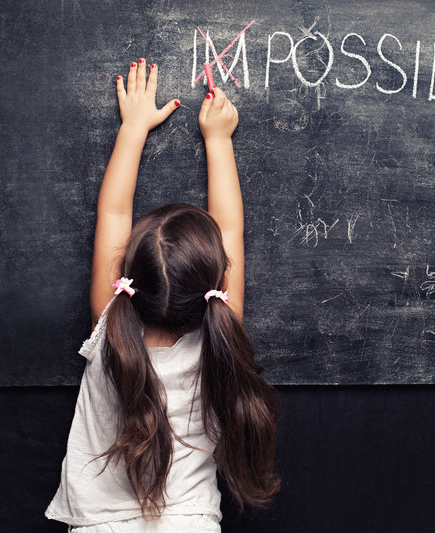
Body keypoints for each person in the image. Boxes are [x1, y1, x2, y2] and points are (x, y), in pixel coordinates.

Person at [45, 59, 279, 532]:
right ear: (218, 282)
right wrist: (219, 140)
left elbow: (112, 213)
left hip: (100, 524)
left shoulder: (112, 327)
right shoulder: (221, 337)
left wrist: (133, 128)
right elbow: (229, 226)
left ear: (127, 276)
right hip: (190, 522)